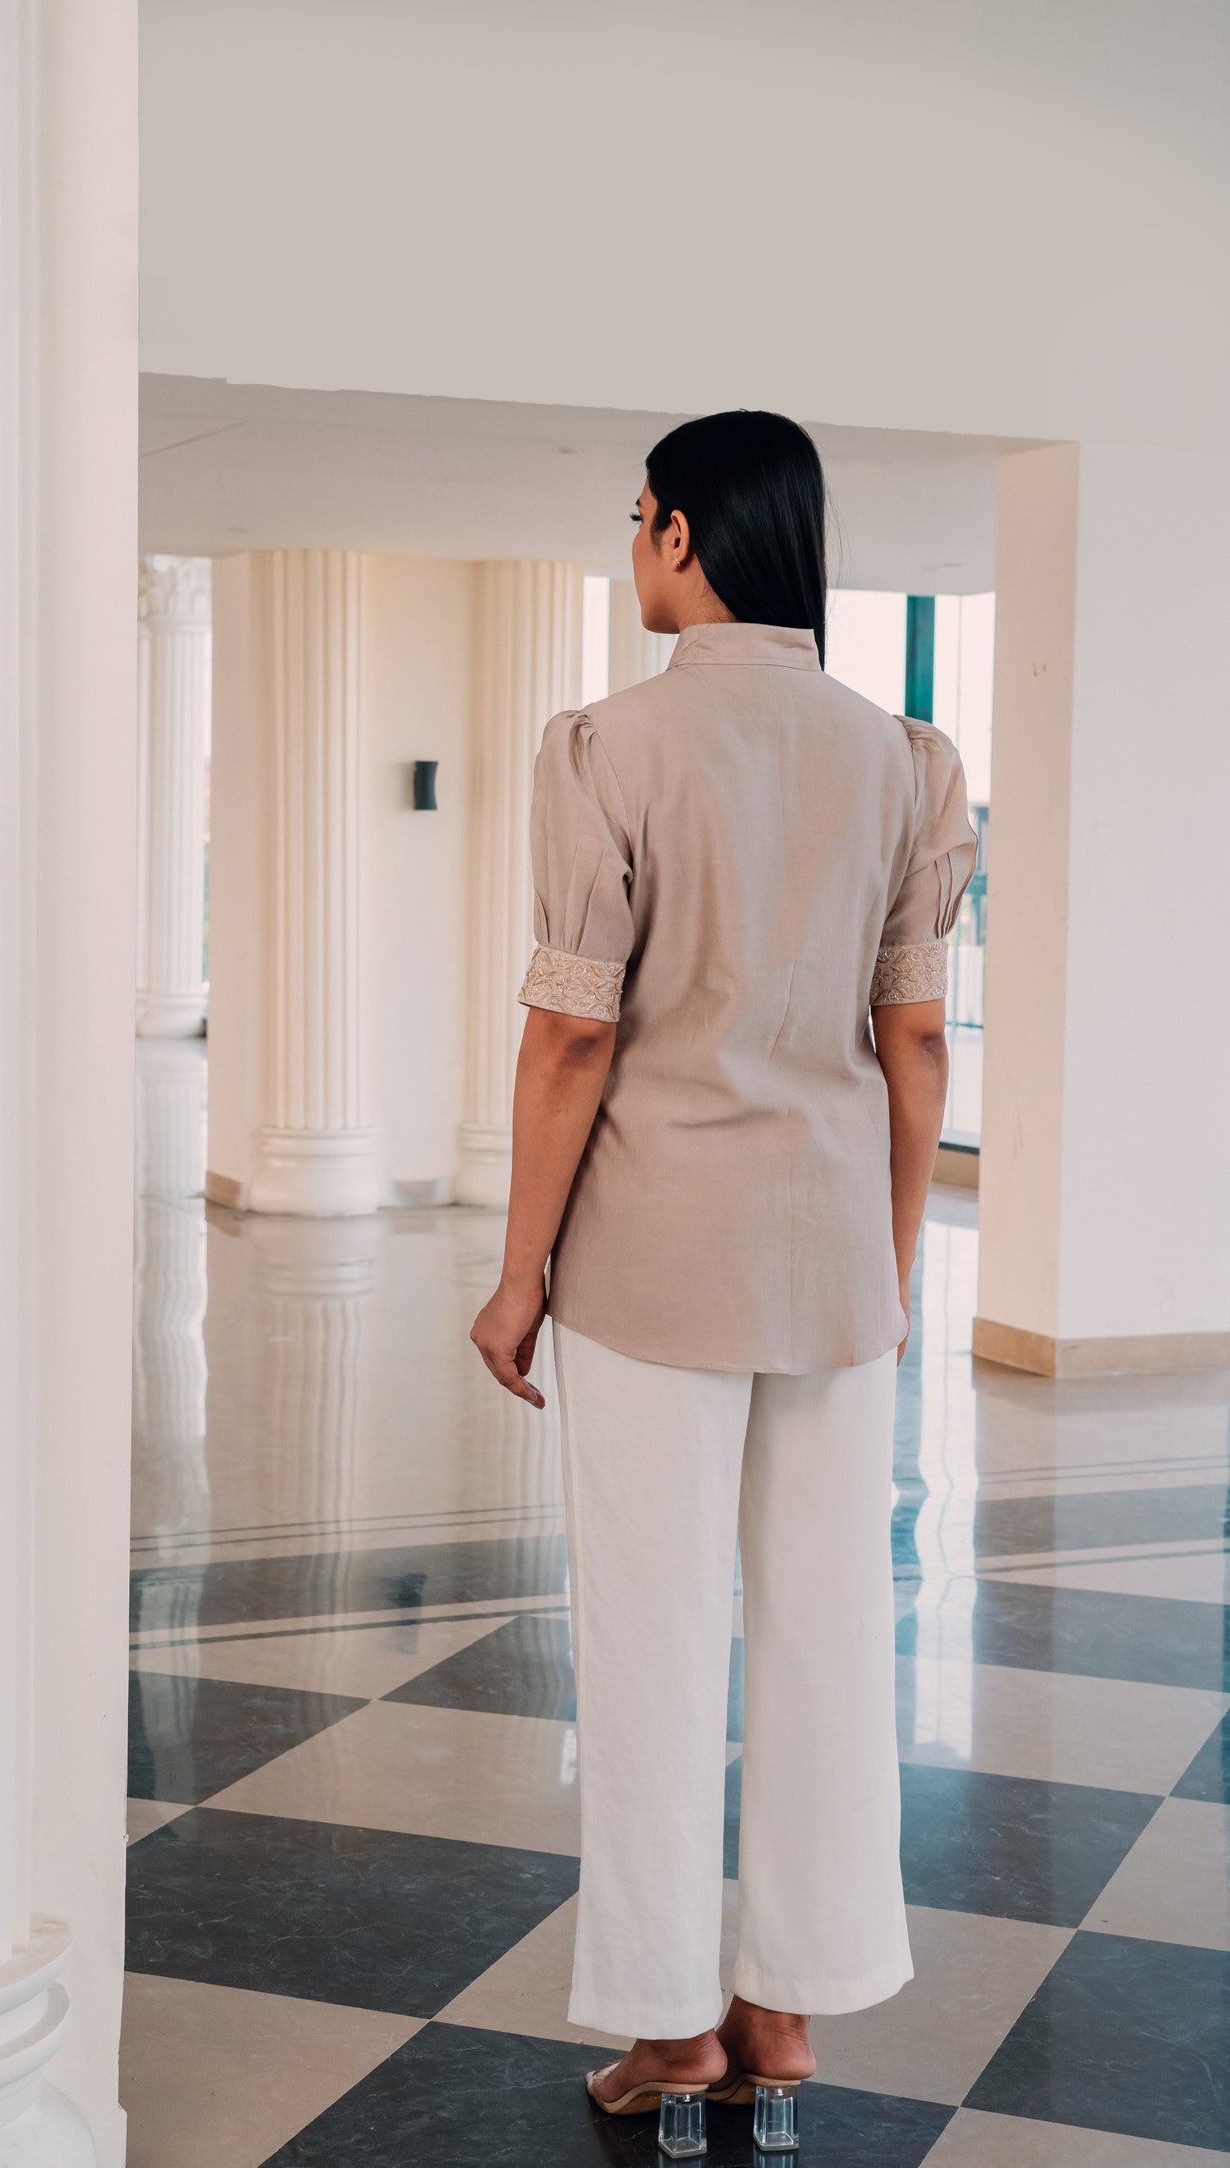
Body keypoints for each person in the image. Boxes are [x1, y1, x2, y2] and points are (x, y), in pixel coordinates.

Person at [470, 409, 977, 2137]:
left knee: (654, 1632)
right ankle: (785, 2013)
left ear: (684, 537)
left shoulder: (605, 746)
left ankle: (668, 2033)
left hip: (646, 1264)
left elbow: (564, 1039)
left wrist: (517, 1269)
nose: (633, 550)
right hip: (831, 1260)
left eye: (637, 521)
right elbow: (913, 1042)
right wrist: (889, 1260)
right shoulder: (908, 758)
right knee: (836, 1630)